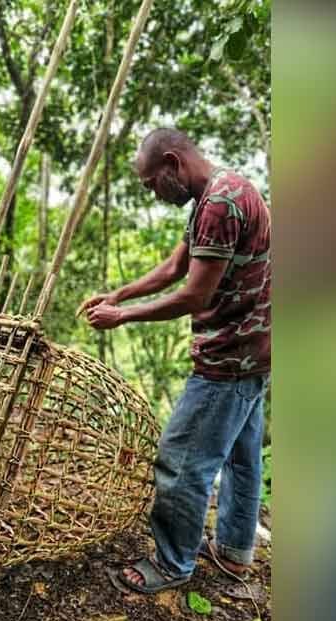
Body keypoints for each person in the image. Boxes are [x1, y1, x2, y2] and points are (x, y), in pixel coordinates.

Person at [78, 128, 271, 593]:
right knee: (242, 458)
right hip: (256, 352)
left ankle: (171, 563)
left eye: (151, 182)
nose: (152, 192)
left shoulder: (221, 205)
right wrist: (119, 293)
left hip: (228, 359)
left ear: (172, 163)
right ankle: (233, 552)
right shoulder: (219, 193)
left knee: (180, 463)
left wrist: (122, 316)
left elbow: (193, 294)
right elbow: (174, 268)